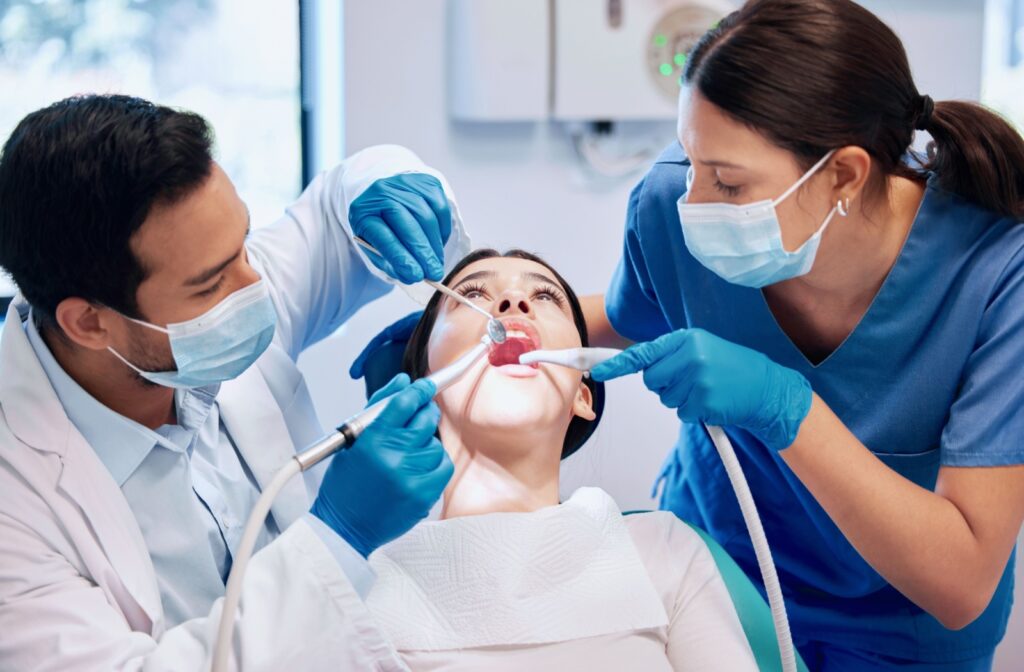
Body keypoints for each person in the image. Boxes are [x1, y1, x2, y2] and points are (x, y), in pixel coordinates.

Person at [580, 1, 1024, 670]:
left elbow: (961, 581)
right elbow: (626, 318)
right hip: (714, 579)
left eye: (728, 182)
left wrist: (786, 408)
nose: (691, 203)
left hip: (900, 628)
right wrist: (484, 324)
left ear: (844, 174)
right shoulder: (670, 207)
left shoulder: (998, 274)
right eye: (691, 161)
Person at [0, 94, 469, 670]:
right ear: (89, 322)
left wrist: (385, 181)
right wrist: (339, 535)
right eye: (209, 285)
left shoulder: (203, 284)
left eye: (243, 245)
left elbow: (339, 200)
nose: (256, 286)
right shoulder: (15, 500)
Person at [359, 249, 758, 671]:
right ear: (424, 387)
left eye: (546, 297)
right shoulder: (359, 582)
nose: (514, 303)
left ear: (581, 396)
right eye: (471, 293)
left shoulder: (662, 550)